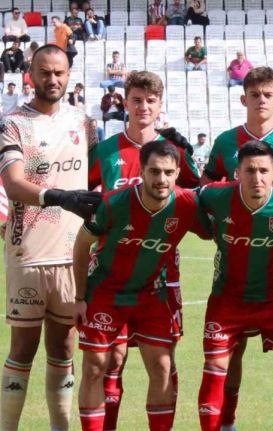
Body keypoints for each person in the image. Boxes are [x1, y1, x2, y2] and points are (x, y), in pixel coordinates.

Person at [201, 65, 273, 431]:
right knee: (231, 352)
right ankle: (227, 422)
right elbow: (205, 187)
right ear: (244, 99)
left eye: (268, 94)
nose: (261, 100)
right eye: (255, 94)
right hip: (236, 250)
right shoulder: (225, 141)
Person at [87, 70, 200, 431]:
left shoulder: (174, 152)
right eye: (136, 100)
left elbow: (199, 196)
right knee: (111, 360)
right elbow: (81, 195)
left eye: (150, 100)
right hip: (110, 272)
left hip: (162, 276)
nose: (143, 107)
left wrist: (190, 157)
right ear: (125, 102)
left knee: (163, 360)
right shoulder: (106, 150)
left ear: (160, 104)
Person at [0, 44, 101, 431]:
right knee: (22, 349)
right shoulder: (13, 124)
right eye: (44, 72)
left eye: (59, 72)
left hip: (73, 255)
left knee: (64, 347)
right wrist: (61, 197)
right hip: (28, 254)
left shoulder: (84, 123)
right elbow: (13, 184)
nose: (52, 79)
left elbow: (100, 178)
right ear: (31, 75)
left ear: (69, 75)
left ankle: (61, 427)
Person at [74, 140, 208, 431]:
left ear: (177, 173)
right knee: (95, 367)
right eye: (154, 171)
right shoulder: (114, 203)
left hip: (151, 294)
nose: (162, 179)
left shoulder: (187, 204)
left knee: (162, 367)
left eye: (169, 172)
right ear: (142, 172)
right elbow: (82, 244)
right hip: (106, 292)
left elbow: (213, 231)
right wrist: (79, 297)